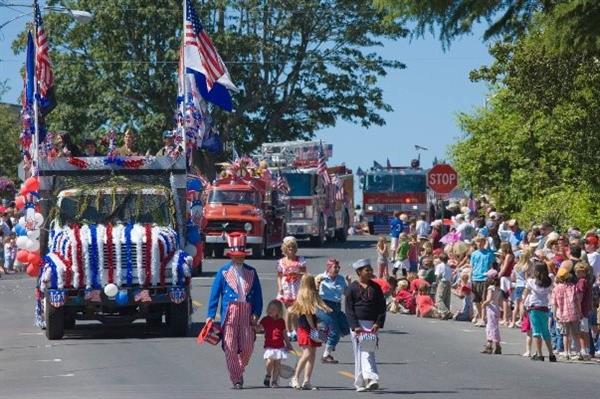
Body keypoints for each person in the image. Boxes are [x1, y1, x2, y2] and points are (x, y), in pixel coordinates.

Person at [206, 233, 263, 389]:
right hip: (230, 313)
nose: (239, 258)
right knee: (230, 346)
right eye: (237, 256)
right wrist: (210, 316)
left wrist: (257, 313)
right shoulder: (223, 272)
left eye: (242, 256)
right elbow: (214, 295)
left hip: (247, 312)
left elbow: (258, 295)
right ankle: (236, 378)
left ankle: (238, 368)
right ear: (231, 256)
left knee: (248, 347)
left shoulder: (251, 272)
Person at [345, 258, 386, 392]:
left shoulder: (376, 288)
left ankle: (367, 380)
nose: (370, 272)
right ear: (359, 272)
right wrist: (355, 326)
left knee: (368, 351)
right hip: (358, 325)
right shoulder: (352, 288)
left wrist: (378, 323)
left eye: (370, 270)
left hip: (372, 324)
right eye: (366, 270)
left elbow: (382, 307)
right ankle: (365, 381)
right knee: (360, 352)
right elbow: (349, 309)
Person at [288, 274, 331, 390]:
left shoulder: (310, 293)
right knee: (307, 353)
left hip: (310, 328)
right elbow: (307, 313)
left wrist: (325, 308)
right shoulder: (306, 294)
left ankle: (307, 381)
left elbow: (320, 304)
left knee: (312, 355)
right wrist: (314, 328)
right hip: (307, 328)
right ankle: (295, 378)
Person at [315, 258, 350, 364]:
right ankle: (326, 355)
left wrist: (349, 282)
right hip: (324, 306)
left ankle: (325, 337)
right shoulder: (321, 278)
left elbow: (347, 293)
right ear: (329, 268)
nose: (337, 269)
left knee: (345, 327)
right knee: (334, 331)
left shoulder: (340, 279)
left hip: (336, 306)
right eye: (335, 267)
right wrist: (317, 285)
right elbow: (312, 293)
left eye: (338, 267)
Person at [523, 261, 557, 362]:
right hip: (545, 307)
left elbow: (525, 294)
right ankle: (551, 354)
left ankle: (540, 354)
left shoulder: (531, 281)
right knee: (545, 331)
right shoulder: (549, 280)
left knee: (536, 332)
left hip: (534, 307)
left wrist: (523, 305)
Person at [276, 236, 307, 341]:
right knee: (289, 311)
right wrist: (280, 288)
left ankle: (295, 331)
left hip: (297, 286)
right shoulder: (281, 262)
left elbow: (305, 274)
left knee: (296, 311)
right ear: (285, 248)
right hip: (287, 288)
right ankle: (288, 332)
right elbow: (279, 276)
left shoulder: (300, 260)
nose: (291, 249)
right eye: (289, 247)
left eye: (293, 247)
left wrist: (297, 274)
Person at [259, 299, 292, 388]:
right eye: (269, 308)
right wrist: (255, 327)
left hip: (279, 346)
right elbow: (260, 328)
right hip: (270, 345)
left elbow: (284, 333)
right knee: (270, 361)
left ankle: (274, 381)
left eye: (273, 309)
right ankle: (268, 374)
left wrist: (288, 344)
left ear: (278, 311)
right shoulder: (265, 320)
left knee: (277, 364)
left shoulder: (281, 321)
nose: (271, 310)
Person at [552, 267, 581, 360]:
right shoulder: (573, 287)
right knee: (576, 334)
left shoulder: (556, 289)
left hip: (562, 314)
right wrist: (580, 312)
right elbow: (578, 301)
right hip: (574, 313)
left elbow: (554, 304)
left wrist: (554, 314)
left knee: (565, 334)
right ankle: (578, 352)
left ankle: (567, 352)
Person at [470, 236, 496, 327]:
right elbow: (472, 267)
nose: (479, 243)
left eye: (481, 242)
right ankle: (481, 317)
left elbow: (492, 266)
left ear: (484, 242)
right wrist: (471, 278)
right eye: (478, 242)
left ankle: (483, 318)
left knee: (484, 299)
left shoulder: (489, 254)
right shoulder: (474, 254)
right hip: (475, 278)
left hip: (484, 278)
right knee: (476, 300)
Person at [510, 247, 533, 328]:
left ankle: (512, 321)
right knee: (522, 304)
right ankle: (520, 320)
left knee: (516, 304)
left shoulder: (516, 266)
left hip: (518, 285)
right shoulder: (527, 266)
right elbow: (527, 278)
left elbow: (513, 277)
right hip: (524, 285)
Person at [481, 269, 502, 354]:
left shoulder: (491, 288)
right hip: (496, 308)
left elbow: (489, 299)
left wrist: (484, 303)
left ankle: (492, 344)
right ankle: (494, 344)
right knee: (494, 326)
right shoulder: (498, 288)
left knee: (490, 327)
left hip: (491, 309)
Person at [497, 242, 515, 325]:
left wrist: (498, 275)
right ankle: (507, 317)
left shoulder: (509, 256)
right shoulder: (505, 256)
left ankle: (506, 318)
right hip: (504, 278)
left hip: (506, 277)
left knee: (506, 298)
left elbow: (505, 268)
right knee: (504, 299)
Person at [434, 253, 452, 319]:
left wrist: (436, 282)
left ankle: (445, 311)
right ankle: (445, 313)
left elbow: (438, 275)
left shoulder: (439, 266)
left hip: (442, 281)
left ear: (440, 259)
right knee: (446, 298)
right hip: (448, 282)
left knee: (439, 298)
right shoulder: (448, 266)